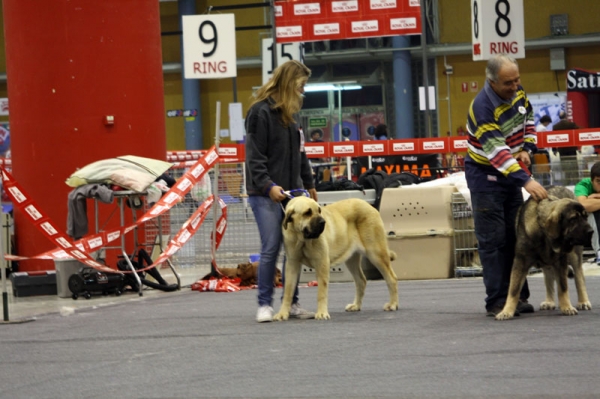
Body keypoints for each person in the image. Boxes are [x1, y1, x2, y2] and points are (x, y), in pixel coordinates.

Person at [465, 54, 548, 317]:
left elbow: (529, 119)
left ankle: (517, 298)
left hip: (510, 172)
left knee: (517, 238)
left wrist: (526, 148)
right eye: (508, 83)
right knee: (494, 243)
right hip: (486, 176)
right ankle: (497, 301)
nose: (515, 86)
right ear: (491, 81)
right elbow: (497, 152)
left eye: (517, 80)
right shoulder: (482, 107)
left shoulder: (518, 92)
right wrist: (526, 180)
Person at [244, 60, 318, 323]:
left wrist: (309, 184)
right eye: (301, 85)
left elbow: (302, 155)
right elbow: (254, 158)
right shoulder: (259, 113)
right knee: (271, 247)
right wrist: (268, 186)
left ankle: (292, 303)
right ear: (289, 82)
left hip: (292, 195)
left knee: (294, 249)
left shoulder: (291, 119)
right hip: (264, 194)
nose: (303, 91)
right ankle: (264, 304)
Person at [574, 161, 600, 265]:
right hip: (584, 224)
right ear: (591, 180)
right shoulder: (583, 185)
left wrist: (593, 200)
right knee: (594, 212)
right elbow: (583, 206)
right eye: (598, 181)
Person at [553, 110, 580, 185]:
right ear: (566, 116)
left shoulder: (556, 126)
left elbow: (553, 138)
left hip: (562, 150)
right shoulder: (571, 124)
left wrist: (554, 149)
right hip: (572, 149)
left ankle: (566, 182)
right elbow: (578, 133)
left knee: (564, 167)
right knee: (574, 166)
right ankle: (575, 182)